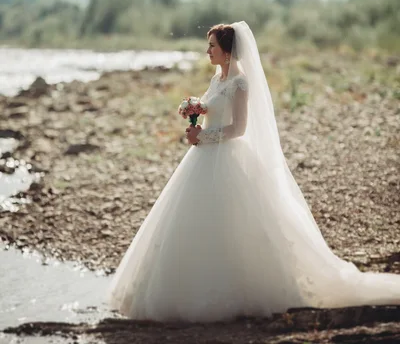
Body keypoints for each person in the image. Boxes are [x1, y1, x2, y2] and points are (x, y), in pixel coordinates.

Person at [108, 21, 400, 321]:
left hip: (226, 156)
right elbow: (215, 108)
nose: (208, 51)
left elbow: (238, 128)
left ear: (228, 51)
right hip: (203, 158)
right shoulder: (217, 77)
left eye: (212, 46)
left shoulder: (240, 82)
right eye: (208, 45)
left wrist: (203, 137)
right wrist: (198, 109)